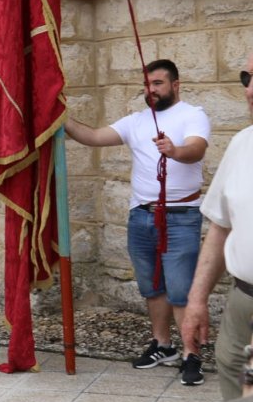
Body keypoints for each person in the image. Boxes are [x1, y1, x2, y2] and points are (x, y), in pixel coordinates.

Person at [65, 59, 210, 382]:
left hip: (180, 215)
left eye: (158, 83)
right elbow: (92, 136)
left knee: (181, 288)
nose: (151, 90)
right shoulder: (136, 121)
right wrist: (60, 116)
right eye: (147, 84)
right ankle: (163, 344)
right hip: (141, 215)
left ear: (175, 85)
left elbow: (196, 150)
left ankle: (191, 354)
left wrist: (174, 150)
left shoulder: (192, 114)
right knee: (151, 286)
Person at [181, 54, 253, 395]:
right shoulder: (242, 144)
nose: (249, 91)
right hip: (243, 301)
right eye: (246, 78)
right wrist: (197, 301)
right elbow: (221, 227)